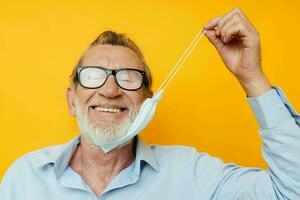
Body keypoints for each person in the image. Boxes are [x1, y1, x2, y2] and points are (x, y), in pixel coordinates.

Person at [1, 8, 300, 200]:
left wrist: (252, 78)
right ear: (71, 100)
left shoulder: (193, 174)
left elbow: (292, 192)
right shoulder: (23, 178)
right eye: (93, 76)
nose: (110, 88)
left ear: (147, 101)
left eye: (128, 78)